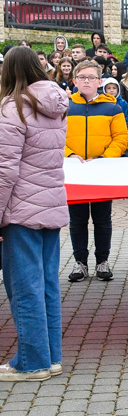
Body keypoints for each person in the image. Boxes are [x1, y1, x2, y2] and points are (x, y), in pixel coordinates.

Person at [0, 47, 70, 382]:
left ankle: (32, 361)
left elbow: (5, 170)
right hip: (51, 206)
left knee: (24, 287)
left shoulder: (13, 106)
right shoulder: (57, 105)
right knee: (45, 285)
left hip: (21, 209)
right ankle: (50, 356)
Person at [65, 60, 128, 283]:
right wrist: (70, 154)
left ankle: (103, 261)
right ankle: (80, 262)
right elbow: (54, 135)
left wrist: (104, 158)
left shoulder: (112, 107)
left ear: (100, 81)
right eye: (82, 77)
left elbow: (121, 138)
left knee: (102, 219)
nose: (86, 81)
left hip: (102, 171)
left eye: (91, 77)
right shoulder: (65, 106)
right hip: (76, 173)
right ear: (74, 81)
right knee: (77, 220)